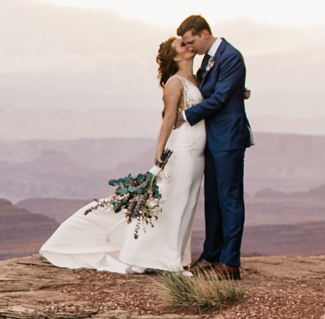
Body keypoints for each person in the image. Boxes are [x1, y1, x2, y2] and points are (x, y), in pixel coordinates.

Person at [39, 38, 204, 273]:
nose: (188, 45)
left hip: (198, 151)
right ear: (176, 57)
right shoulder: (175, 83)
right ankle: (162, 260)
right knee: (173, 201)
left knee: (187, 202)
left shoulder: (196, 79)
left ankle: (172, 255)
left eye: (188, 42)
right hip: (183, 149)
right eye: (182, 45)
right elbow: (168, 118)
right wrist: (159, 150)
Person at [175, 14, 252, 277]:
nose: (190, 47)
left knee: (230, 198)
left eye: (191, 41)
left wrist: (185, 116)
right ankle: (211, 254)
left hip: (229, 139)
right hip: (211, 138)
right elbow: (215, 90)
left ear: (205, 33)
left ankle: (230, 263)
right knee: (213, 201)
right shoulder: (208, 59)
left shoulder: (231, 56)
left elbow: (219, 98)